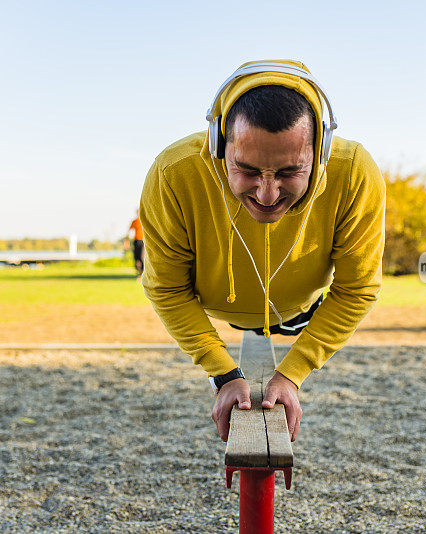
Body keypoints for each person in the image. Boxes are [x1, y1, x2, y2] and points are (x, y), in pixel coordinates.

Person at [139, 60, 385, 443]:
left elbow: (357, 288)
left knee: (298, 318)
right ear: (219, 145)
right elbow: (166, 288)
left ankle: (290, 318)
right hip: (215, 303)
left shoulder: (354, 172)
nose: (267, 194)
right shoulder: (174, 173)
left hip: (299, 310)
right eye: (247, 169)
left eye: (289, 171)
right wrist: (223, 373)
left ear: (321, 150)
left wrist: (293, 373)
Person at [127, 210, 144, 276]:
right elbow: (129, 231)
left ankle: (142, 273)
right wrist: (127, 241)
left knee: (142, 257)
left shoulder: (143, 221)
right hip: (136, 241)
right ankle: (139, 273)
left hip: (143, 241)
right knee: (136, 257)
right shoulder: (134, 222)